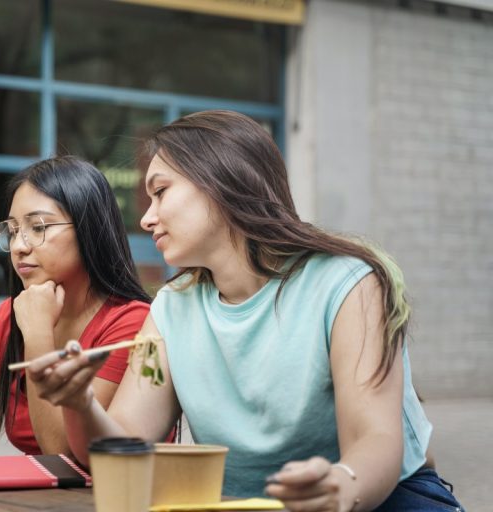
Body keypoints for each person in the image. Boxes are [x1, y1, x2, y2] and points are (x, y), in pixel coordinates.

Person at [25, 111, 464, 511]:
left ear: (222, 180)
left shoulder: (348, 283)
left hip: (383, 499)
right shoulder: (171, 308)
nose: (146, 218)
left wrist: (338, 487)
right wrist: (80, 403)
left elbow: (377, 439)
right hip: (241, 503)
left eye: (161, 192)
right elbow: (120, 445)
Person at [0, 156, 151, 457]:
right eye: (13, 230)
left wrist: (38, 332)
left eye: (38, 227)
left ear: (88, 228)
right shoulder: (12, 313)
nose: (19, 246)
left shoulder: (132, 322)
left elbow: (63, 452)